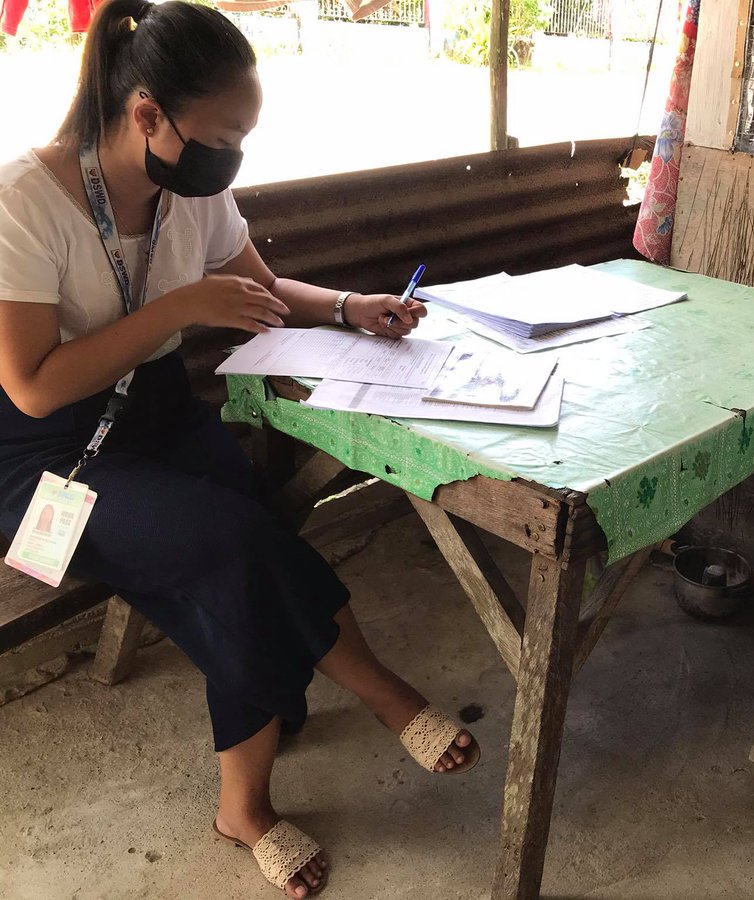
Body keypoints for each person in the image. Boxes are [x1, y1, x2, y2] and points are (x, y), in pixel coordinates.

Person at [0, 3, 480, 897]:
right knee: (241, 547)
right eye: (225, 135)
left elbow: (260, 286)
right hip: (45, 450)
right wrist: (180, 309)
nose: (234, 157)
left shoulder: (191, 184)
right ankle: (380, 695)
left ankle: (243, 807)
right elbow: (31, 383)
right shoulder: (22, 203)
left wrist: (348, 306)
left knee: (244, 548)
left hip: (156, 413)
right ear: (148, 115)